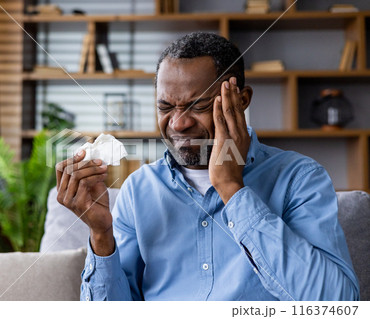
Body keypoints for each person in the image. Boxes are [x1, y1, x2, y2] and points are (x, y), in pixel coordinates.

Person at [55, 32, 359, 300]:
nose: (178, 123)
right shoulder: (139, 189)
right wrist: (101, 235)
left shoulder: (299, 178)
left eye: (197, 105)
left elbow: (336, 303)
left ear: (241, 100)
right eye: (165, 107)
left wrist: (232, 189)